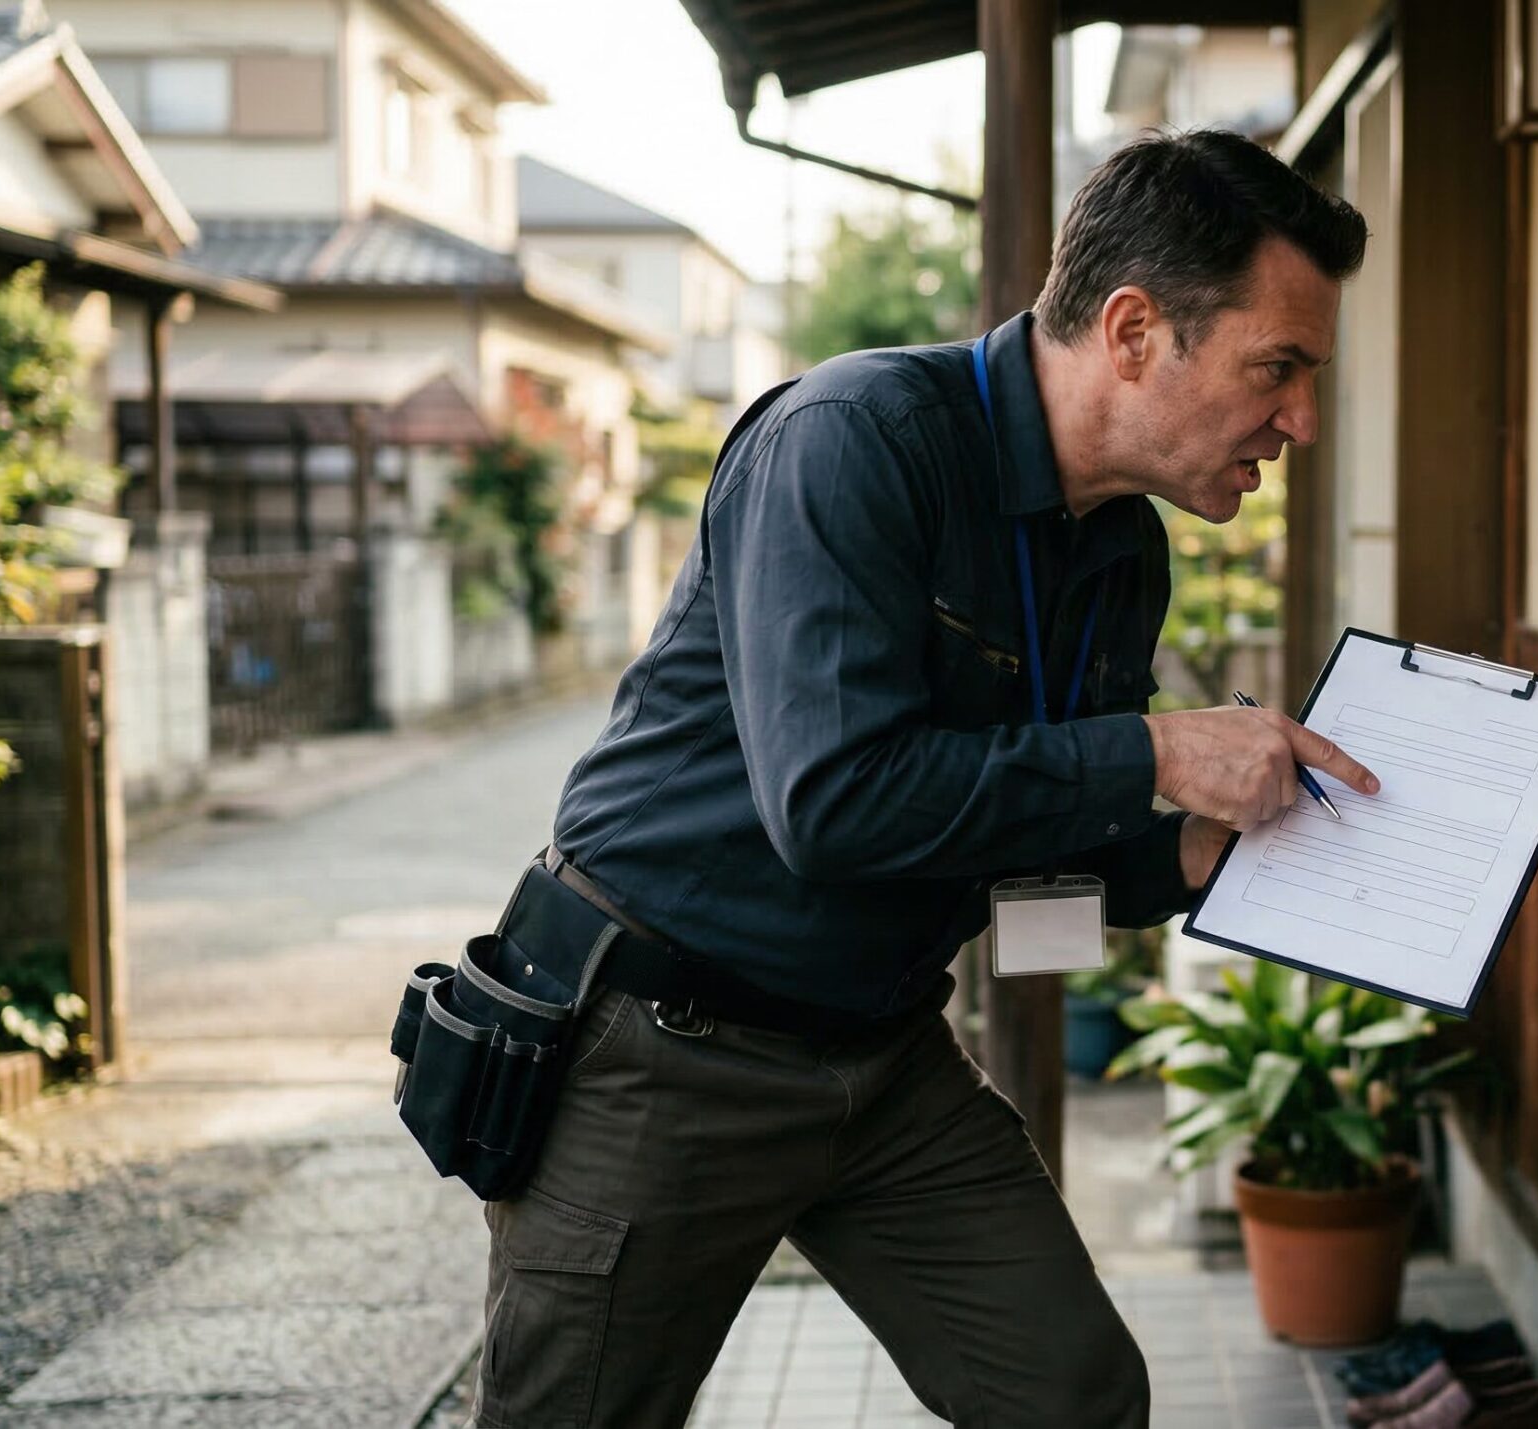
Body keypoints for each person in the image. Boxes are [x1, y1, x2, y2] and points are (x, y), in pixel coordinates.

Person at [473, 129, 1379, 1429]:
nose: (1298, 419)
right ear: (1132, 332)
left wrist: (1199, 852)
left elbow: (1042, 816)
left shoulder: (1122, 546)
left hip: (883, 1051)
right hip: (663, 1041)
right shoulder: (853, 439)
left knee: (1074, 1393)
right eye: (1277, 369)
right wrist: (1166, 751)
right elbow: (837, 806)